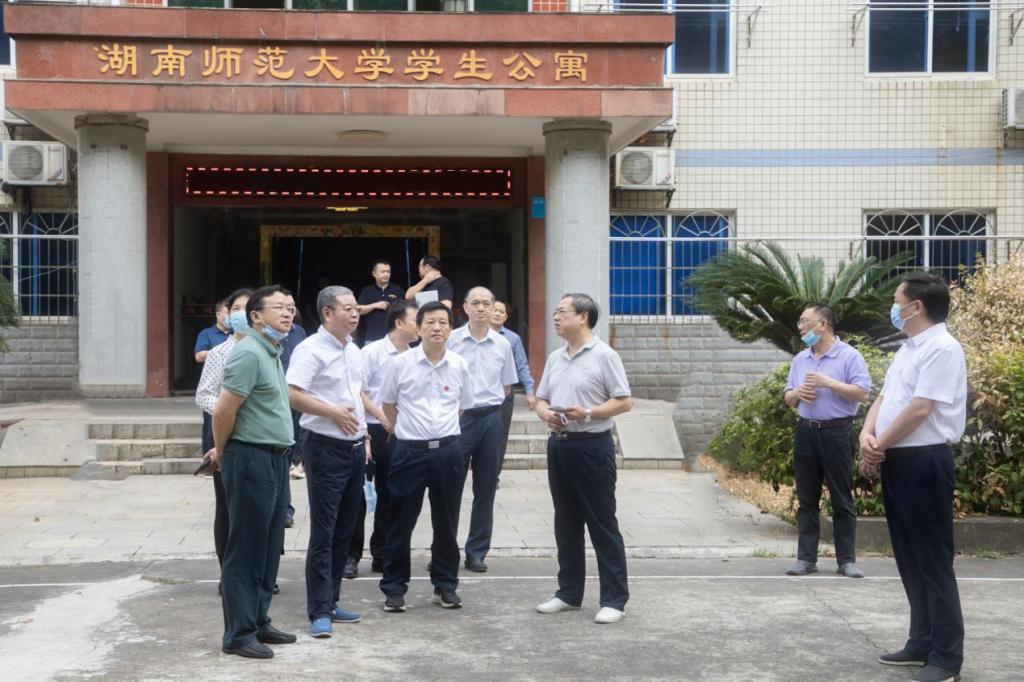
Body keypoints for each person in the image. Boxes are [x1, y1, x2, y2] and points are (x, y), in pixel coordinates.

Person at [859, 273, 967, 682]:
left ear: (916, 306)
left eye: (896, 300)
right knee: (909, 557)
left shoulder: (942, 348)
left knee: (932, 560)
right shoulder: (909, 348)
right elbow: (885, 398)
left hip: (925, 461)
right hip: (898, 460)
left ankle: (946, 657)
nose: (893, 307)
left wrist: (879, 445)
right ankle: (921, 641)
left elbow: (921, 409)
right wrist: (867, 435)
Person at [286, 285, 385, 639]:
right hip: (325, 448)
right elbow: (292, 393)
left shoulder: (353, 350)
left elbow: (356, 395)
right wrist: (331, 412)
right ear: (327, 313)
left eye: (356, 307)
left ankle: (332, 600)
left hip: (355, 447)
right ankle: (318, 610)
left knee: (346, 528)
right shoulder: (310, 349)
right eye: (348, 308)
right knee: (324, 532)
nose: (355, 313)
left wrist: (366, 434)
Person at [209, 284, 297, 659]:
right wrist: (223, 451)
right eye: (279, 307)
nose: (288, 313)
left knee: (268, 547)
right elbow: (223, 410)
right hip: (251, 458)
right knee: (246, 549)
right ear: (256, 317)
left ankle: (258, 620)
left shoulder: (271, 351)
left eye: (291, 307)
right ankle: (238, 633)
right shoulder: (248, 353)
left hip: (275, 459)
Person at [534, 293, 632, 625]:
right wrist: (546, 414)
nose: (556, 317)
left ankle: (614, 599)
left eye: (562, 312)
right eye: (555, 312)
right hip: (559, 445)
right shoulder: (555, 358)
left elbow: (624, 401)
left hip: (592, 447)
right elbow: (541, 399)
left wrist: (587, 413)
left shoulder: (605, 355)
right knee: (565, 523)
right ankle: (568, 593)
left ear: (583, 317)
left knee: (602, 523)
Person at [377, 301, 473, 613]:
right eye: (430, 322)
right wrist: (404, 429)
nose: (437, 328)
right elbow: (388, 404)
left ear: (450, 329)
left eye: (443, 322)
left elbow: (462, 406)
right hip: (409, 452)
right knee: (400, 522)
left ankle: (445, 586)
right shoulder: (400, 364)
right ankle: (394, 588)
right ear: (417, 328)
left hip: (448, 452)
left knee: (446, 522)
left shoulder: (459, 364)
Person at [783, 303, 871, 578]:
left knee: (841, 497)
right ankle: (806, 558)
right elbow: (788, 397)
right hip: (806, 432)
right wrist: (797, 393)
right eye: (800, 322)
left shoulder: (849, 356)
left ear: (822, 325)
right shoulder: (800, 359)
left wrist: (828, 382)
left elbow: (863, 393)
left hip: (837, 432)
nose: (800, 327)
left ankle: (846, 560)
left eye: (805, 321)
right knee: (806, 498)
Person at [445, 287, 518, 572]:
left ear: (493, 308)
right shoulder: (451, 340)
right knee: (449, 487)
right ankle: (444, 549)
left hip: (490, 419)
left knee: (485, 487)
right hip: (459, 420)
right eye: (475, 303)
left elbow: (507, 386)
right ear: (464, 307)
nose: (481, 308)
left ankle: (476, 551)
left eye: (486, 303)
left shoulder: (503, 344)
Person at [345, 299, 419, 579]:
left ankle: (382, 552)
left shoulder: (415, 356)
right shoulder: (371, 352)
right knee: (358, 496)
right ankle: (351, 555)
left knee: (391, 493)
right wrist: (380, 414)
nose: (421, 326)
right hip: (369, 429)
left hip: (398, 433)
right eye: (416, 320)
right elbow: (357, 391)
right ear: (399, 323)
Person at [195, 287, 252, 589]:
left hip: (258, 437)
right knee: (227, 506)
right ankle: (228, 573)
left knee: (257, 508)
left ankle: (257, 570)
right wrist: (227, 410)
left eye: (246, 308)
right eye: (235, 309)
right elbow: (203, 394)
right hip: (226, 436)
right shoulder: (220, 353)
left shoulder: (269, 350)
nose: (240, 314)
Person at [490, 299, 536, 483]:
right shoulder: (473, 334)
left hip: (505, 395)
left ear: (506, 317)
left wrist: (529, 391)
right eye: (494, 310)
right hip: (479, 397)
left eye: (501, 312)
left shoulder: (512, 339)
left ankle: (493, 476)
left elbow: (522, 365)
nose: (497, 313)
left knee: (500, 437)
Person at [357, 260, 406, 346]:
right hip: (372, 338)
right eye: (383, 272)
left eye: (388, 272)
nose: (386, 274)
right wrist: (375, 305)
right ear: (374, 273)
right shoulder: (367, 291)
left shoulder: (398, 290)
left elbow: (405, 312)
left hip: (394, 338)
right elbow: (358, 310)